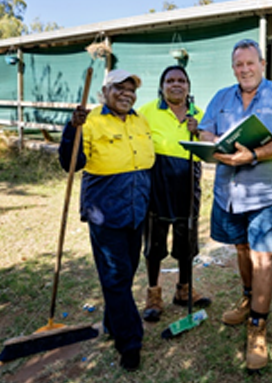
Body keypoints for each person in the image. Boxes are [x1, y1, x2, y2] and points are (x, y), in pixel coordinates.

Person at [198, 39, 272, 372]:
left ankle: (258, 325)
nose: (244, 69)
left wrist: (254, 154)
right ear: (233, 68)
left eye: (250, 63)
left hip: (264, 194)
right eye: (238, 65)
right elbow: (204, 131)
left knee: (263, 258)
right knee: (242, 250)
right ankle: (247, 299)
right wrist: (216, 145)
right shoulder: (221, 97)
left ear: (262, 63)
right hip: (228, 192)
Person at [58, 69, 154, 372]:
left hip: (137, 210)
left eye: (131, 89)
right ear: (104, 92)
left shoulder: (140, 121)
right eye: (119, 88)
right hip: (106, 212)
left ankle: (113, 323)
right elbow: (71, 164)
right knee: (115, 276)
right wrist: (72, 129)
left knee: (125, 275)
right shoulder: (90, 121)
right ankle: (130, 341)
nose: (127, 94)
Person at [137, 65, 210, 323]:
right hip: (157, 187)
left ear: (188, 87)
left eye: (181, 80)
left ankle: (184, 289)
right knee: (154, 244)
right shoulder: (146, 112)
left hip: (188, 188)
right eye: (170, 80)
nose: (176, 84)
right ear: (162, 86)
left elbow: (212, 148)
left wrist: (199, 131)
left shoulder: (199, 115)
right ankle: (153, 293)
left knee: (186, 243)